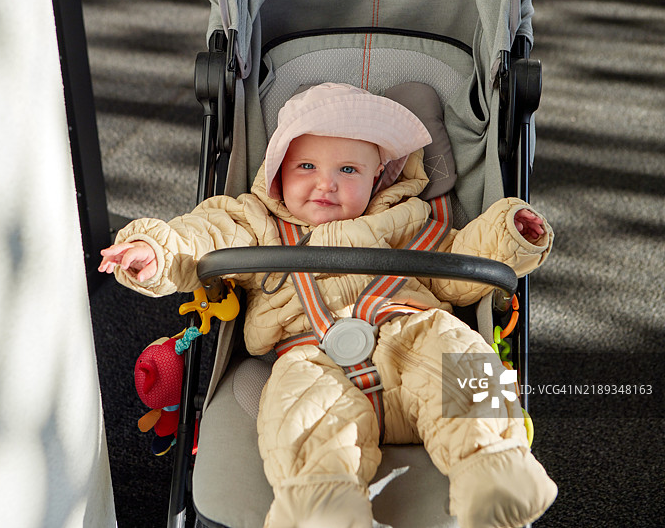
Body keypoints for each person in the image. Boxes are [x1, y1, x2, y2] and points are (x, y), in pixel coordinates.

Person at [100, 82, 557, 528]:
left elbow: (459, 268)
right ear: (277, 172)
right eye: (306, 166)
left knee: (461, 352)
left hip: (409, 332)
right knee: (300, 412)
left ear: (379, 177)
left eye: (349, 171)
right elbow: (203, 237)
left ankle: (497, 470)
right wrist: (157, 250)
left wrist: (509, 234)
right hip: (309, 352)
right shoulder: (257, 223)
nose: (326, 184)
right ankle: (324, 502)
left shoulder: (405, 218)